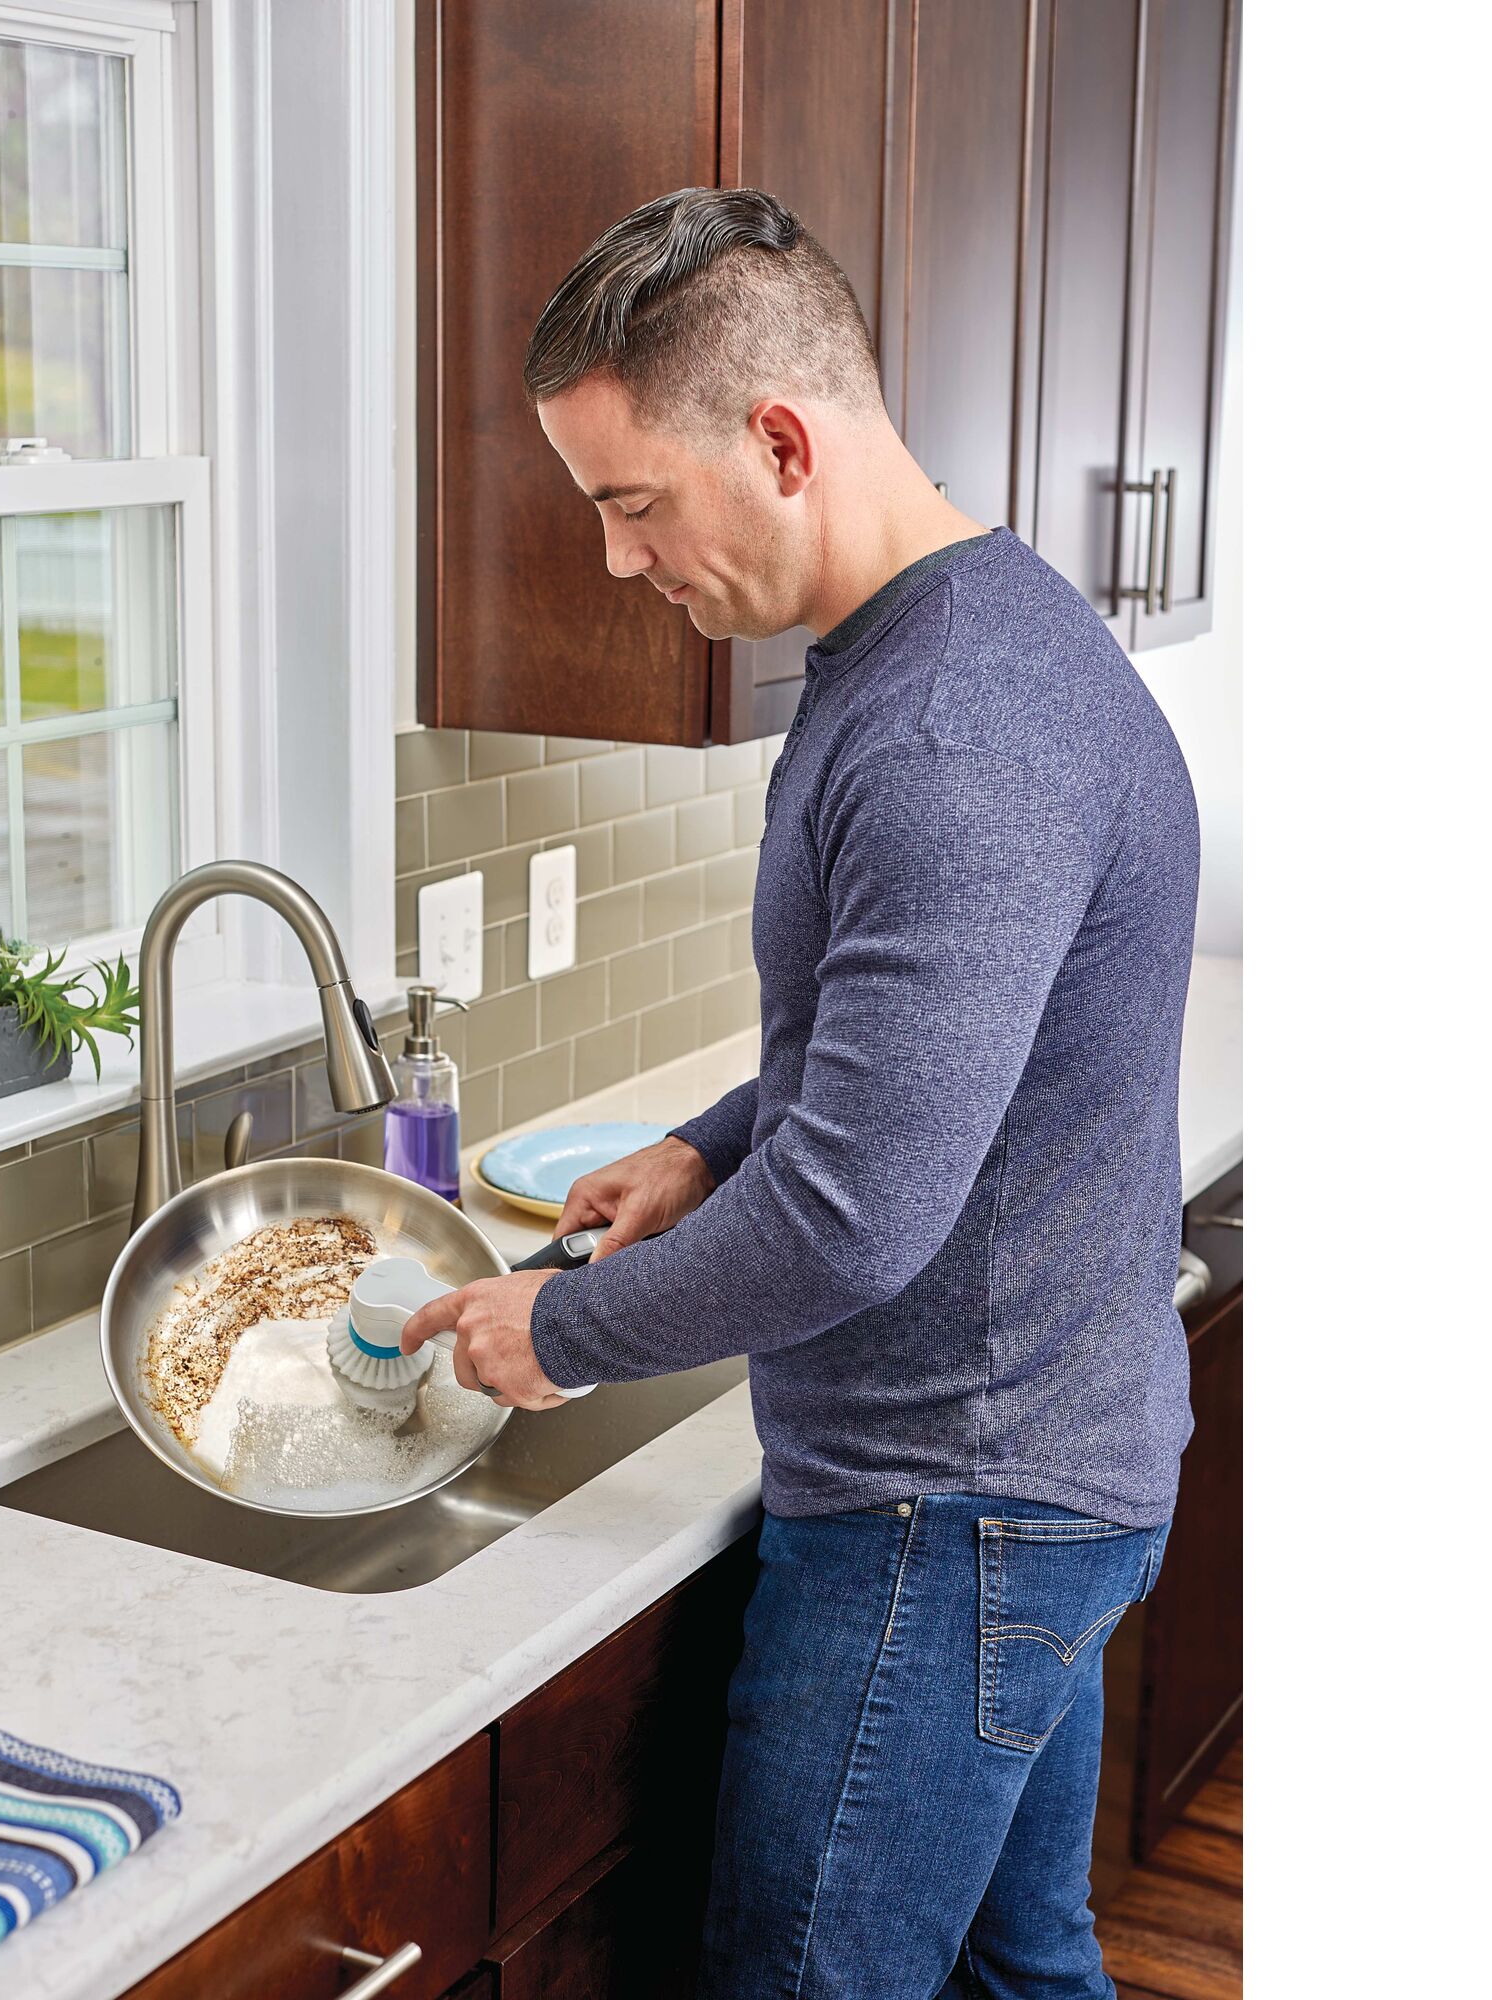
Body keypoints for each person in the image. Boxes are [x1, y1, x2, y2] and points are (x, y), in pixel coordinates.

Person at [400, 186, 1200, 1999]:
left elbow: (855, 1216)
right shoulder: (956, 637)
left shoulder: (947, 732)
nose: (618, 561)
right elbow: (897, 1053)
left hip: (954, 1509)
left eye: (631, 503)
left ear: (776, 439)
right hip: (1034, 1474)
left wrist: (560, 1333)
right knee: (1025, 1972)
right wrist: (700, 1148)